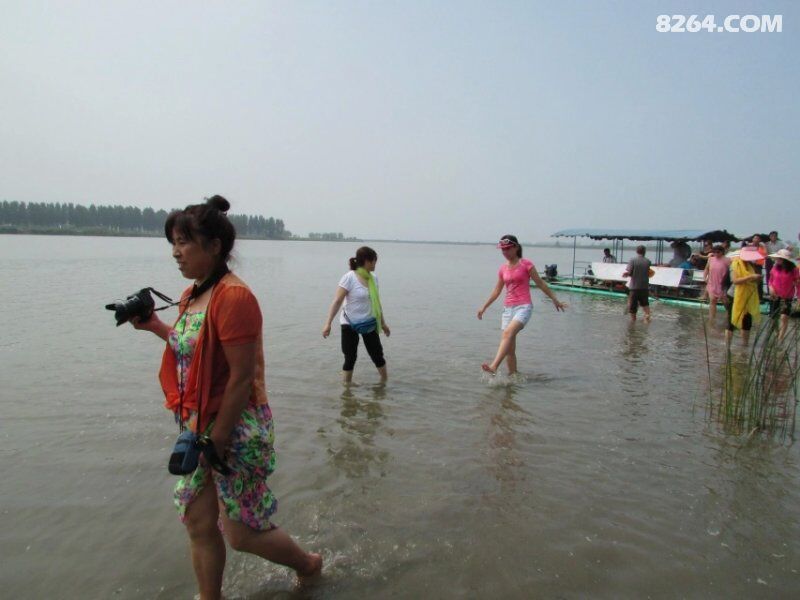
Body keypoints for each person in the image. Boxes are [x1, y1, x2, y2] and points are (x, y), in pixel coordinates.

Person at [132, 196, 321, 599]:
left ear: (215, 245)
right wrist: (155, 326)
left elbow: (240, 378)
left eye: (184, 242)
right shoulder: (190, 295)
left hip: (234, 429)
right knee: (199, 523)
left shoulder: (234, 297)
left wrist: (215, 442)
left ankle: (309, 565)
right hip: (198, 425)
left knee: (241, 533)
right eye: (173, 243)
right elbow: (194, 348)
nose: (176, 252)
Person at [477, 234, 566, 375]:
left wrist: (555, 300)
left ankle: (494, 366)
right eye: (502, 250)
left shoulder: (526, 264)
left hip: (523, 307)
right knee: (510, 350)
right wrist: (484, 307)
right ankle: (513, 379)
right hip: (508, 309)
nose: (505, 252)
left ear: (516, 247)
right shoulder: (503, 269)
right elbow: (497, 290)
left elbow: (541, 283)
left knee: (507, 333)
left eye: (507, 249)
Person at [322, 246, 390, 384]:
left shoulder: (374, 279)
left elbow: (377, 302)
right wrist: (328, 323)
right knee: (350, 357)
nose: (375, 264)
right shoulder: (349, 278)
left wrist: (383, 323)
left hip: (369, 322)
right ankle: (346, 390)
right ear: (367, 261)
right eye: (374, 261)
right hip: (349, 323)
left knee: (377, 355)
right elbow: (337, 301)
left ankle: (385, 382)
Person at [726, 247, 763, 346]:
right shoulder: (735, 264)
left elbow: (754, 282)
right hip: (734, 295)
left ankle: (744, 345)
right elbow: (735, 281)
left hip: (748, 296)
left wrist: (757, 279)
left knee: (747, 321)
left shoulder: (751, 265)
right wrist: (751, 277)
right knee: (732, 321)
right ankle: (727, 346)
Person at [767, 248, 799, 340]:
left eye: (779, 258)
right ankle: (777, 333)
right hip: (774, 296)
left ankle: (780, 338)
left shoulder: (794, 269)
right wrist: (770, 288)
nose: (777, 260)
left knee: (784, 317)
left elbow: (798, 283)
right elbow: (770, 280)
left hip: (787, 296)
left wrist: (799, 297)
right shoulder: (775, 267)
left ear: (785, 260)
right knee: (773, 319)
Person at [622, 245, 652, 322]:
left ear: (637, 251)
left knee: (632, 308)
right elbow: (648, 273)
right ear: (644, 252)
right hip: (644, 287)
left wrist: (626, 274)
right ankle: (647, 316)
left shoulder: (633, 260)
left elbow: (630, 272)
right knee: (645, 304)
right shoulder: (648, 261)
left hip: (634, 287)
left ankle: (633, 323)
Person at [703, 245, 731, 323]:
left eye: (718, 252)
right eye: (714, 252)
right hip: (712, 282)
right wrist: (705, 277)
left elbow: (732, 271)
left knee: (725, 301)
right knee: (712, 300)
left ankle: (729, 314)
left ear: (722, 252)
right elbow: (706, 269)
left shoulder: (727, 260)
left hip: (723, 283)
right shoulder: (710, 259)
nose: (716, 254)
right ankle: (711, 319)